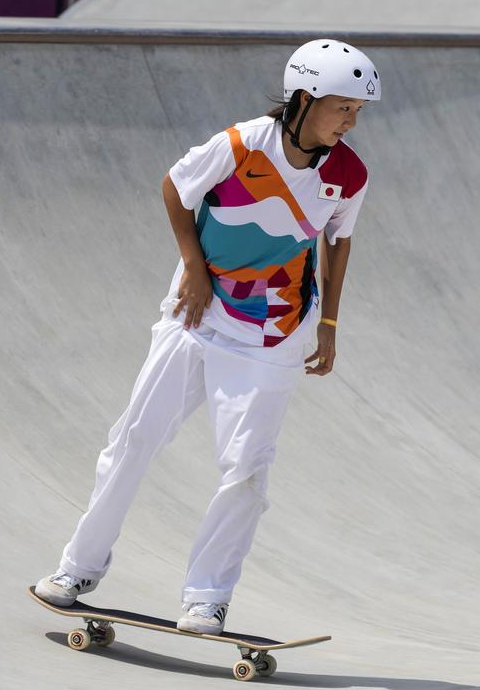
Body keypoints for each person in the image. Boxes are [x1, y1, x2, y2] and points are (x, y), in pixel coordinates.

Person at [33, 39, 379, 634]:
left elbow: (338, 241)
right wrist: (194, 269)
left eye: (357, 111)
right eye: (341, 107)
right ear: (304, 98)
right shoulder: (241, 144)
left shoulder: (348, 174)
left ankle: (207, 597)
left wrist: (329, 324)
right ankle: (77, 568)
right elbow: (175, 187)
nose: (350, 122)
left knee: (247, 467)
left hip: (275, 330)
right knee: (134, 438)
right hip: (197, 315)